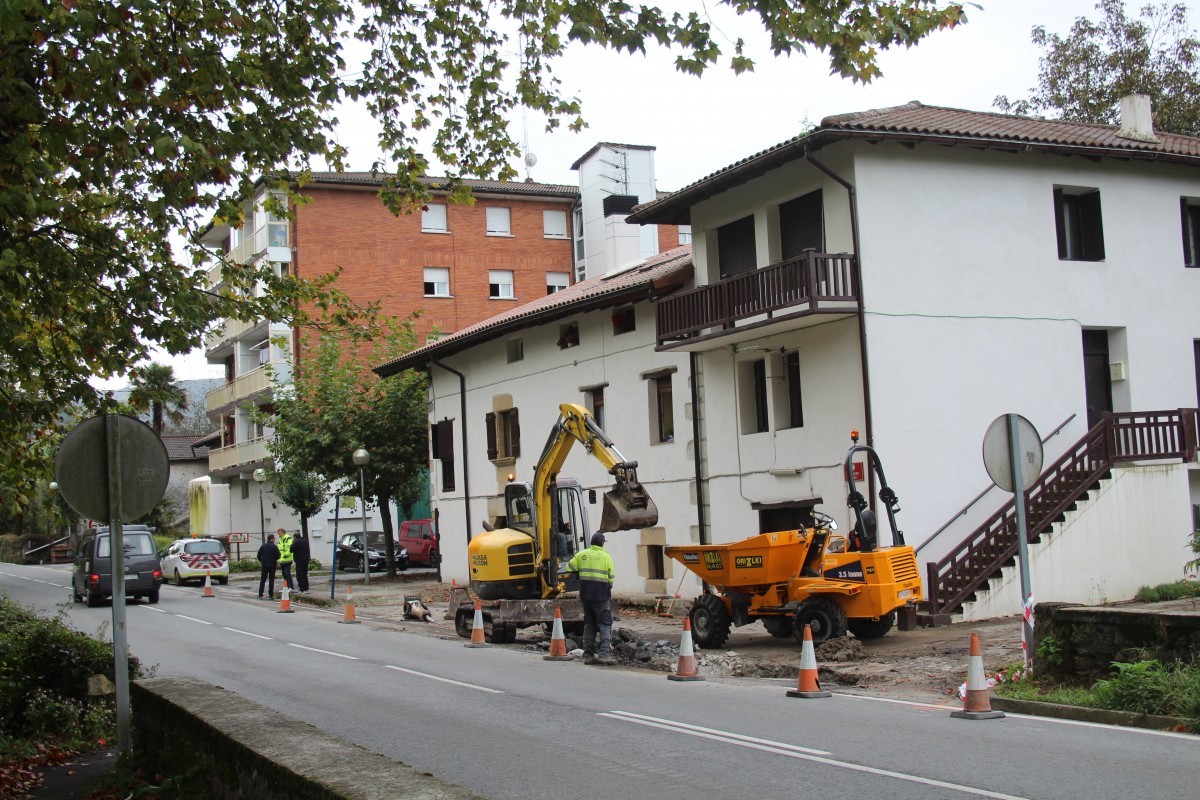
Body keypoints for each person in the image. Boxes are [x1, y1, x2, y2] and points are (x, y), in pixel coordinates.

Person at [566, 531, 616, 665]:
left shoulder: (582, 555)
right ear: (602, 543)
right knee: (605, 624)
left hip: (586, 595)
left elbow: (569, 567)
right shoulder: (606, 557)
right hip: (601, 596)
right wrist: (607, 588)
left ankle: (588, 654)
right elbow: (611, 578)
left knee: (589, 624)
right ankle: (604, 654)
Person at [256, 534, 280, 599]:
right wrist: (274, 559)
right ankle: (270, 595)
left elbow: (258, 555)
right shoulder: (274, 546)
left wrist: (262, 560)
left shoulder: (263, 546)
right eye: (274, 538)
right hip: (272, 565)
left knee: (263, 580)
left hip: (264, 565)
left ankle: (260, 594)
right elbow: (278, 556)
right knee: (271, 580)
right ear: (272, 538)